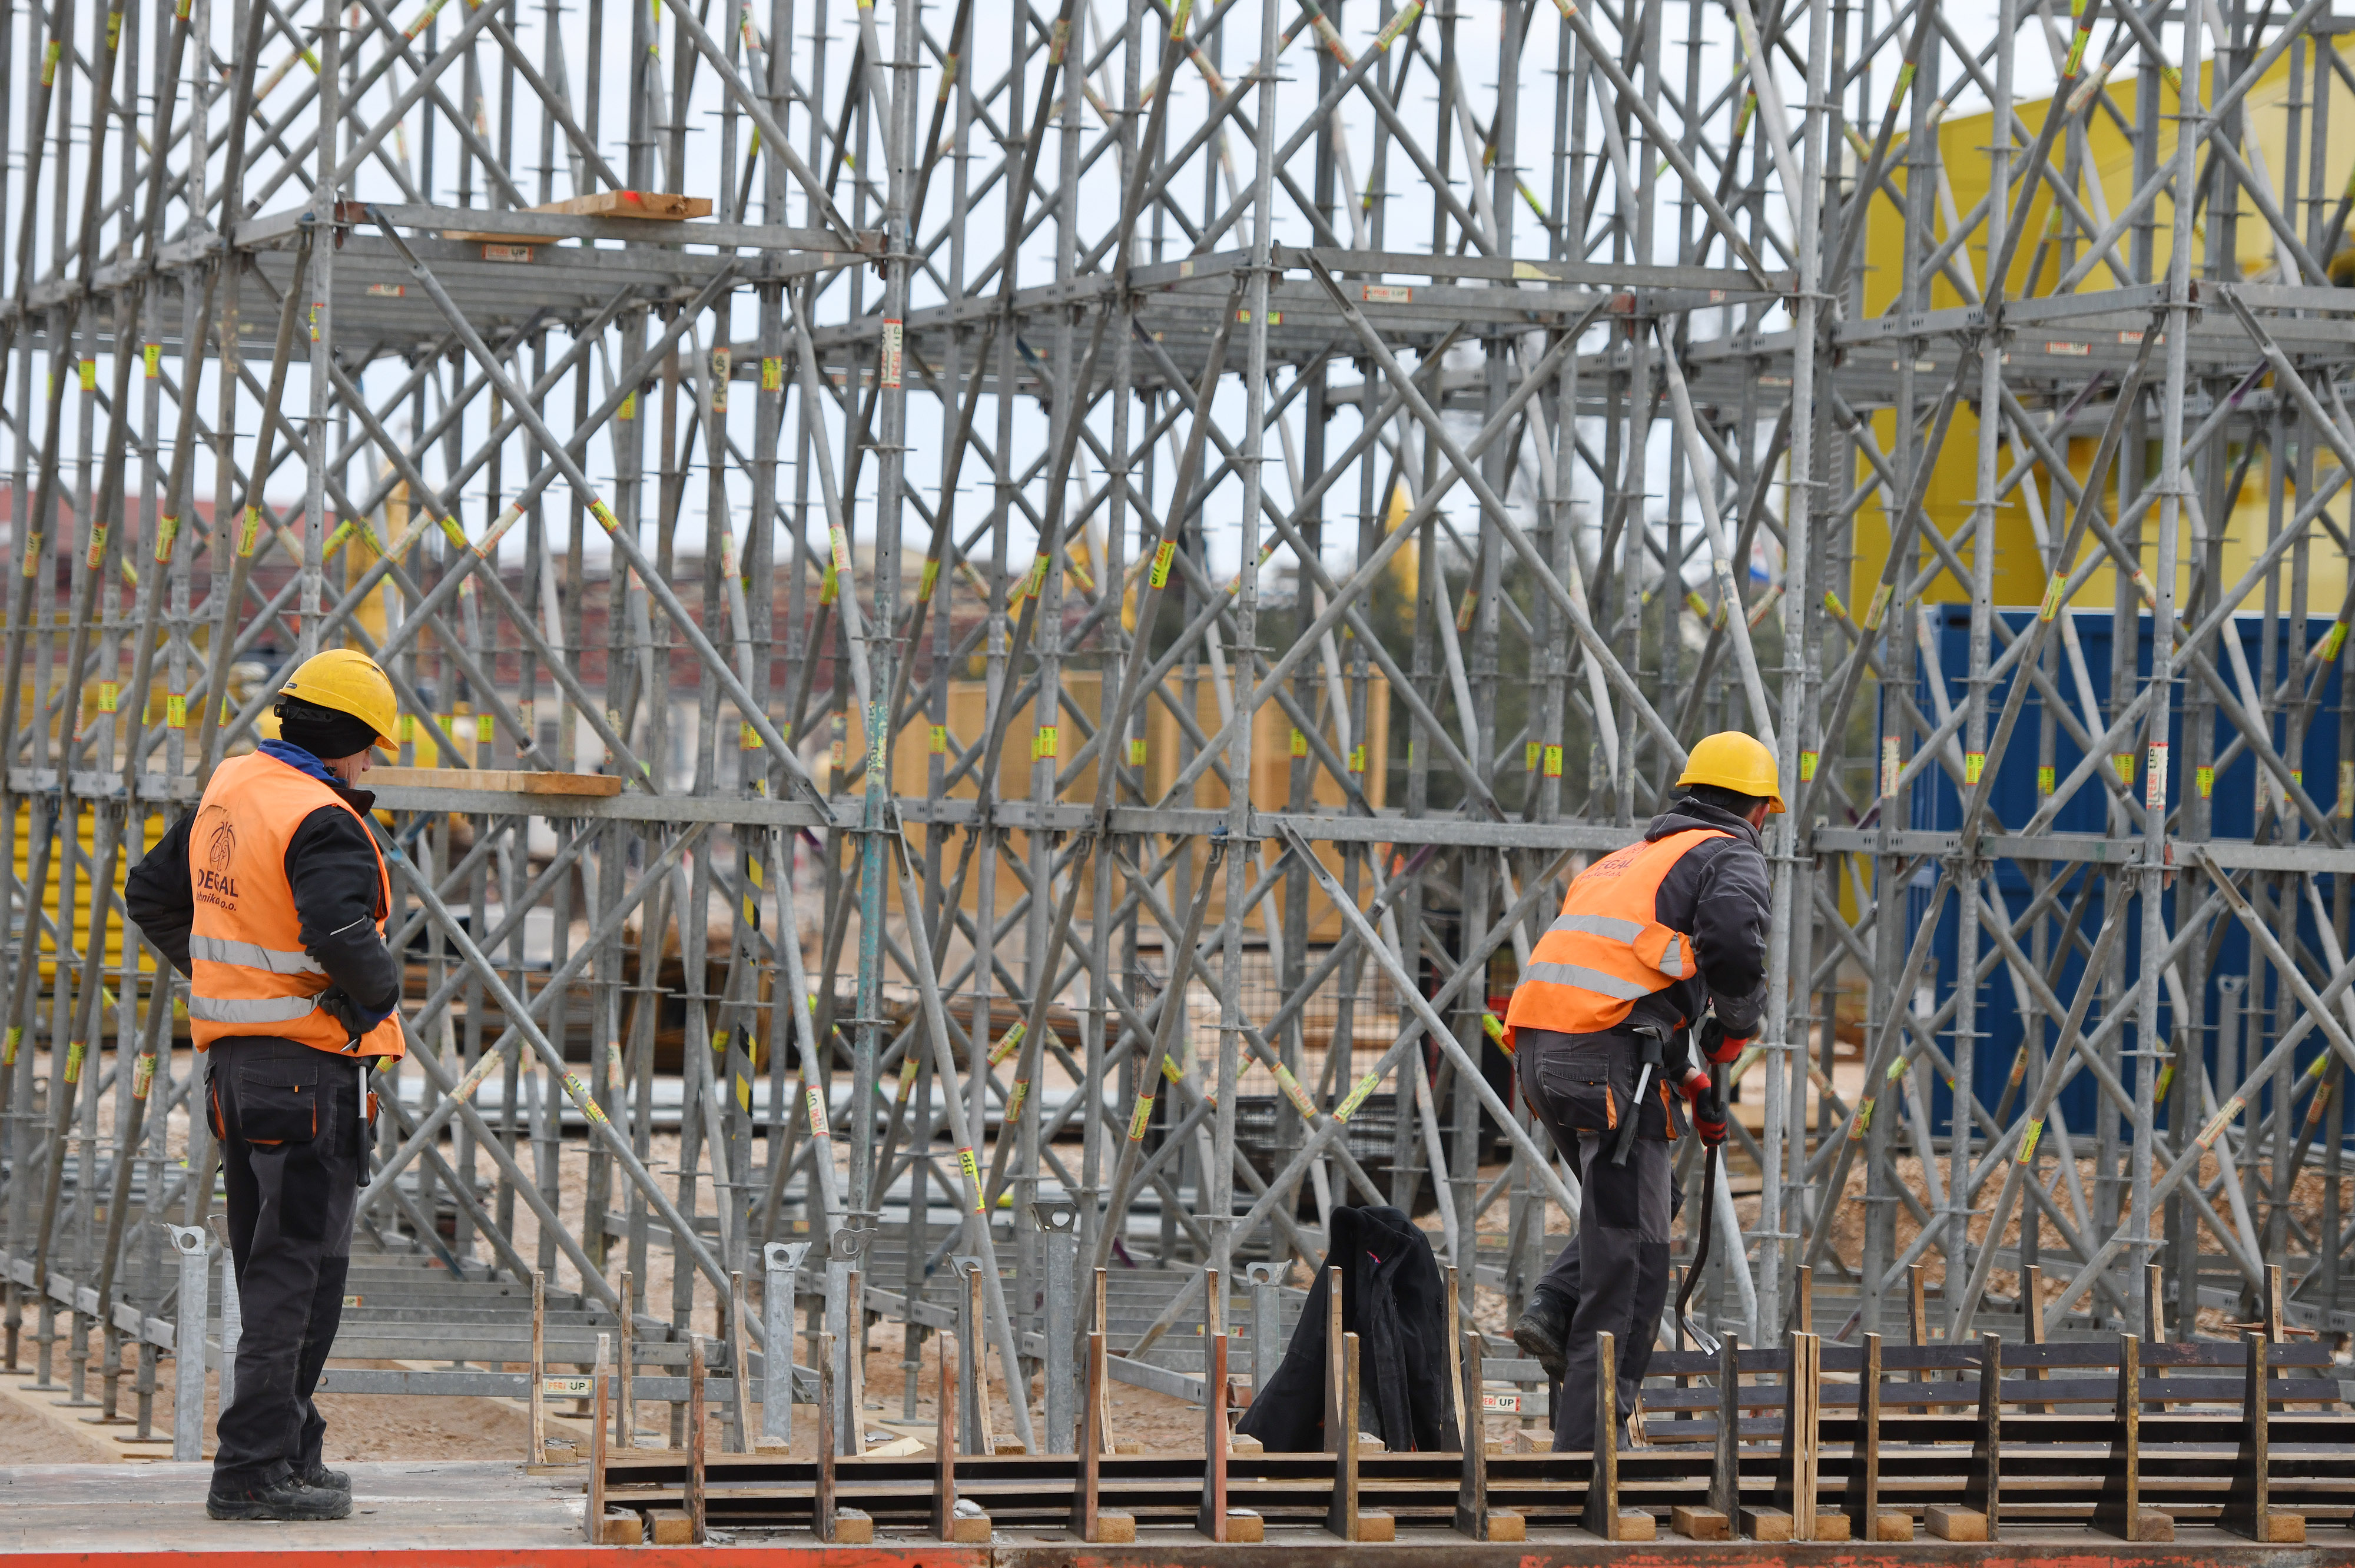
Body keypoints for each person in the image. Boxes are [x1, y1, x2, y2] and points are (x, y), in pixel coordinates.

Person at [125, 649, 409, 1521]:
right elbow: (337, 926)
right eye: (371, 750)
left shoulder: (234, 787)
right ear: (350, 741)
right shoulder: (320, 817)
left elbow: (152, 894)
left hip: (241, 1073)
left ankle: (287, 1449)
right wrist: (379, 991)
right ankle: (250, 1470)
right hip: (304, 1074)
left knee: (289, 1271)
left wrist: (232, 990)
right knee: (297, 1273)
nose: (369, 766)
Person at [1502, 731, 1774, 1451]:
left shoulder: (1629, 860)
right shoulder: (1729, 852)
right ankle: (1588, 1457)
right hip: (1607, 1063)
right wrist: (1734, 1031)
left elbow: (1631, 980)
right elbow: (1737, 951)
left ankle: (1554, 1303)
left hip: (1541, 1055)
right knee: (1636, 1260)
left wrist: (1688, 1073)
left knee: (1639, 1211)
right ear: (1758, 812)